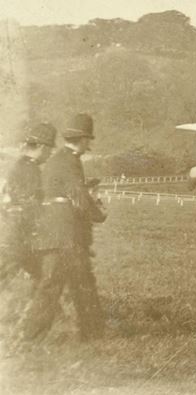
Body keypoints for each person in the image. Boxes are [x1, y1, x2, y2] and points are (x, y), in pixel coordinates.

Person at [20, 113, 106, 342]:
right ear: (83, 139)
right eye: (88, 139)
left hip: (59, 233)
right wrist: (100, 215)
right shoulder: (69, 161)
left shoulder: (61, 158)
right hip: (63, 235)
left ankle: (94, 335)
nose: (89, 144)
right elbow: (78, 197)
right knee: (55, 285)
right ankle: (31, 337)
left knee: (82, 282)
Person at [0, 123, 56, 291]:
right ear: (40, 147)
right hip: (20, 233)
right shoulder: (31, 170)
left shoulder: (21, 165)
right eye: (49, 149)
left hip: (14, 230)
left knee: (39, 275)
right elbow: (31, 204)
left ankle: (52, 312)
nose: (50, 154)